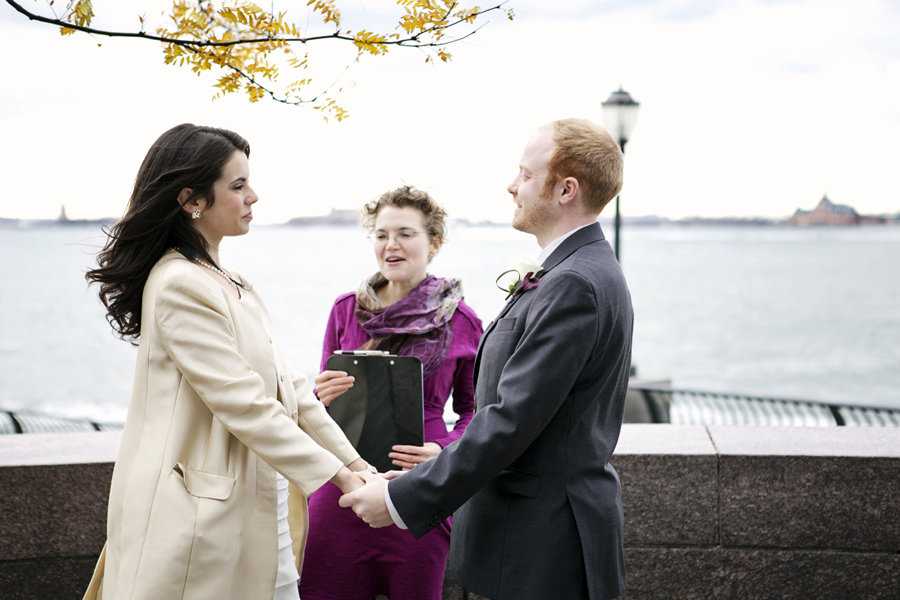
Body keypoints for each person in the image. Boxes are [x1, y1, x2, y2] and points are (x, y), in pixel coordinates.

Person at [340, 118, 634, 600]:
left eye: (524, 174)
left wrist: (399, 498)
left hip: (544, 548)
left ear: (565, 190)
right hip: (535, 540)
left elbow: (511, 419)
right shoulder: (575, 270)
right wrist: (440, 458)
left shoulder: (573, 283)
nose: (511, 185)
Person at [83, 124, 371, 600]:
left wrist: (357, 464)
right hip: (199, 519)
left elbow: (292, 389)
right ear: (191, 199)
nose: (253, 196)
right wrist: (339, 478)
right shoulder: (180, 284)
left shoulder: (231, 281)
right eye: (237, 186)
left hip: (262, 512)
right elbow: (244, 404)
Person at [299, 186, 483, 600]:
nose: (391, 245)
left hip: (418, 488)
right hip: (344, 483)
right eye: (381, 234)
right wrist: (319, 393)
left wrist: (443, 451)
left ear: (433, 242)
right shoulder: (346, 308)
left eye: (405, 233)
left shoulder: (464, 321)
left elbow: (475, 412)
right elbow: (319, 407)